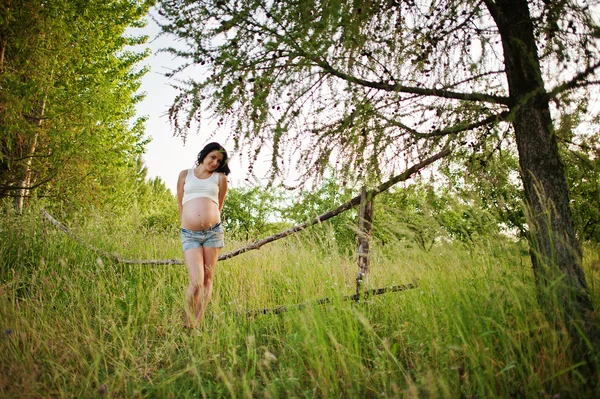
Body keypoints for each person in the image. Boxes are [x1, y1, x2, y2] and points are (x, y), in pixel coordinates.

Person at [177, 142, 230, 327]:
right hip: (190, 234)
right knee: (196, 282)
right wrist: (190, 221)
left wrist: (209, 219)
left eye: (219, 160)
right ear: (205, 154)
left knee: (208, 280)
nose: (215, 162)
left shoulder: (220, 178)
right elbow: (180, 203)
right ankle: (186, 322)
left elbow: (219, 204)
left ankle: (196, 325)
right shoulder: (185, 175)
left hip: (213, 233)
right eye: (212, 157)